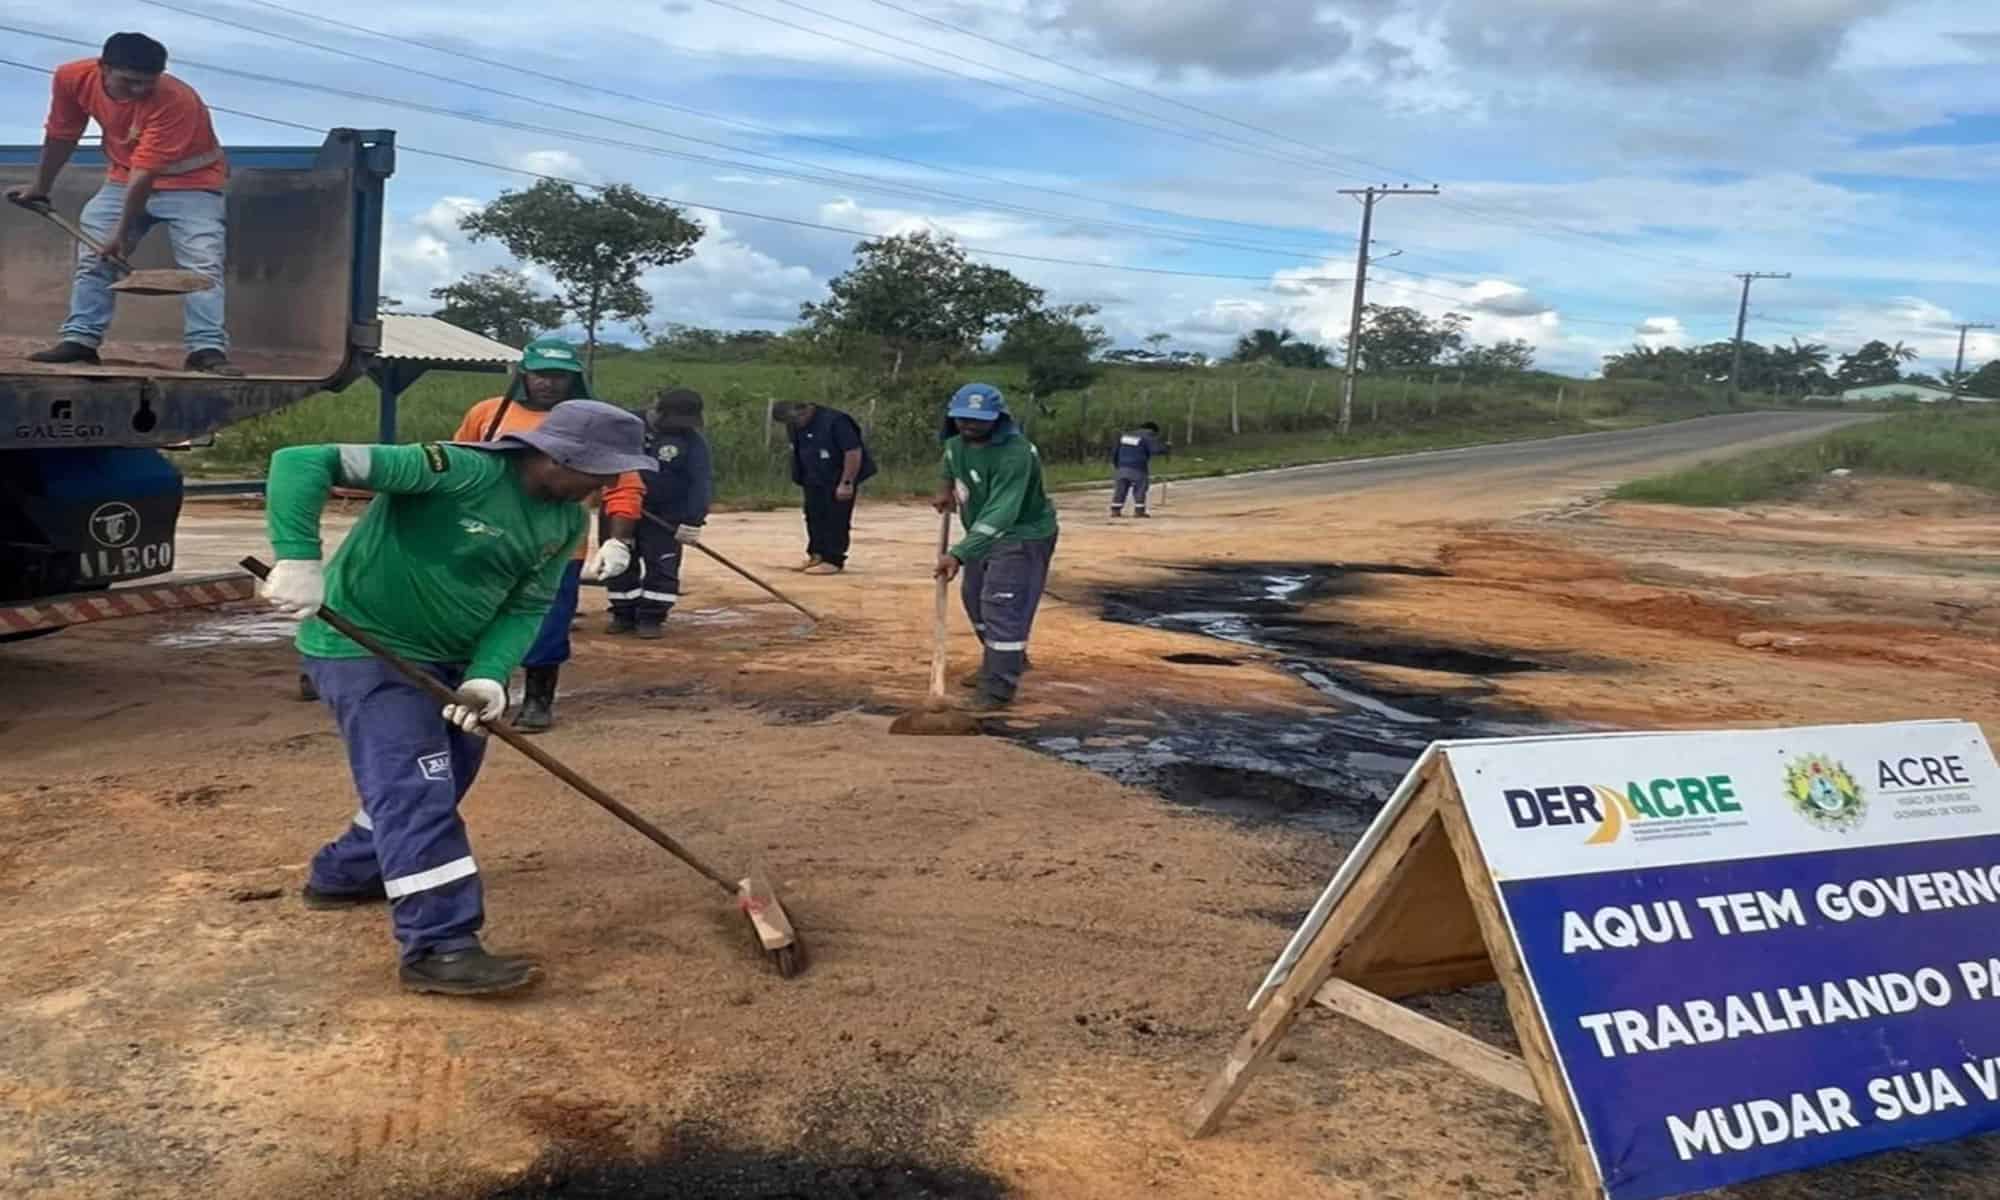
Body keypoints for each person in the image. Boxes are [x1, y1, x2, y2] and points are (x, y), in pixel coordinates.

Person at [255, 401, 656, 995]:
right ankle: (440, 946)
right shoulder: (453, 468)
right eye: (598, 473)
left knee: (444, 774)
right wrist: (297, 555)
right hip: (367, 650)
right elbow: (301, 460)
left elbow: (525, 606)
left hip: (452, 661)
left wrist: (490, 675)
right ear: (555, 455)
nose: (603, 487)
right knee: (417, 785)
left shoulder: (564, 522)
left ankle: (345, 874)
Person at [8, 33, 238, 376]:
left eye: (147, 83)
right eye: (129, 82)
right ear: (103, 67)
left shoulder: (177, 100)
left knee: (202, 266)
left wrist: (121, 233)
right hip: (122, 180)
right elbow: (62, 133)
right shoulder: (72, 78)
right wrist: (40, 187)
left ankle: (206, 350)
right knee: (94, 257)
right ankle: (81, 342)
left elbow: (145, 175)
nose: (138, 91)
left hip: (193, 186)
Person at [453, 336, 593, 732]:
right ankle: (477, 691)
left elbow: (621, 478)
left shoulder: (588, 419)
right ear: (523, 375)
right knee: (475, 616)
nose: (548, 383)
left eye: (559, 376)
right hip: (486, 535)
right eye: (540, 374)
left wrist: (620, 535)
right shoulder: (488, 414)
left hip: (558, 542)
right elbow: (461, 460)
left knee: (545, 621)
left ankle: (537, 700)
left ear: (574, 380)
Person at [932, 383, 1060, 711]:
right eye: (962, 418)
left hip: (1022, 534)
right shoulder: (954, 444)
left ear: (998, 418)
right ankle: (1005, 659)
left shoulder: (1016, 453)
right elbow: (950, 464)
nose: (969, 425)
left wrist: (960, 552)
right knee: (974, 598)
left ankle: (997, 690)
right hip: (982, 534)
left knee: (1001, 606)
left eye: (978, 419)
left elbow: (1003, 510)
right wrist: (944, 490)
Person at [596, 388, 713, 639]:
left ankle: (652, 617)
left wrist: (693, 519)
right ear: (657, 411)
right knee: (618, 562)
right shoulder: (624, 427)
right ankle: (623, 613)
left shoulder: (692, 441)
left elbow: (700, 481)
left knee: (662, 566)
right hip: (619, 510)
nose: (681, 427)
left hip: (666, 516)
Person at [774, 399, 874, 574]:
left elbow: (853, 451)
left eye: (794, 421)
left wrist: (847, 482)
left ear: (805, 410)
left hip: (838, 477)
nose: (793, 425)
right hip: (813, 478)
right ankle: (816, 555)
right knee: (813, 516)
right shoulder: (795, 424)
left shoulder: (836, 421)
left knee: (835, 517)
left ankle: (833, 559)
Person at [1110, 421, 1169, 518]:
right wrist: (1166, 447)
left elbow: (1115, 451)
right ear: (1153, 430)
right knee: (1140, 489)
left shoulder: (1125, 436)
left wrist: (1117, 465)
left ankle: (1115, 511)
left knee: (1120, 489)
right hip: (1138, 468)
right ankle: (1139, 511)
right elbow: (1155, 450)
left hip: (1122, 467)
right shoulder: (1148, 435)